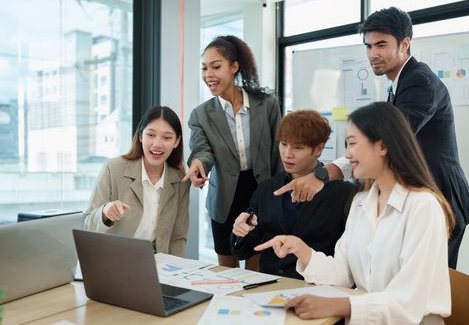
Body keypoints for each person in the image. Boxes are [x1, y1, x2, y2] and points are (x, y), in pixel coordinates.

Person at [275, 7, 469, 268]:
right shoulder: (399, 85)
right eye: (368, 46)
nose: (373, 54)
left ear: (405, 43)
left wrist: (326, 174)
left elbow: (390, 140)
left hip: (438, 199)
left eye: (381, 45)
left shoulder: (419, 82)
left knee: (429, 293)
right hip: (417, 196)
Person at [257, 102, 455, 324]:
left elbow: (408, 301)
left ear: (382, 146)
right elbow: (342, 274)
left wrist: (339, 305)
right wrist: (301, 250)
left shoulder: (423, 207)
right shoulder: (361, 203)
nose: (347, 157)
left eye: (352, 144)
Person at [183, 35, 281, 268]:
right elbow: (202, 150)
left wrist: (278, 197)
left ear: (234, 67)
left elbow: (278, 152)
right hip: (225, 197)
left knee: (256, 265)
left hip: (260, 191)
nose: (208, 75)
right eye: (204, 68)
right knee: (226, 268)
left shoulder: (266, 104)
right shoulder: (201, 114)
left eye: (216, 66)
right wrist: (198, 163)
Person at [231, 110, 356, 279]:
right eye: (283, 144)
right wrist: (240, 231)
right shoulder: (267, 189)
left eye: (298, 147)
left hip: (319, 287)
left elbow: (350, 262)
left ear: (318, 149)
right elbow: (243, 252)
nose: (287, 154)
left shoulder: (343, 193)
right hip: (270, 287)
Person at [84, 106, 189, 257]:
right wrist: (105, 212)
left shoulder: (181, 180)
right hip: (113, 260)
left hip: (157, 265)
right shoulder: (113, 168)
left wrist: (175, 274)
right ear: (140, 136)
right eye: (151, 135)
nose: (157, 144)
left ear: (176, 142)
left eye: (167, 138)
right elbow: (87, 225)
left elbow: (177, 238)